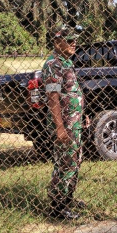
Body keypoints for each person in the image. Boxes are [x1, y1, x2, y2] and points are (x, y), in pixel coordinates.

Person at [43, 24, 85, 220]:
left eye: (74, 39)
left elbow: (71, 93)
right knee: (66, 163)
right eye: (68, 40)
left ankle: (67, 198)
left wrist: (82, 114)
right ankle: (58, 207)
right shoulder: (53, 64)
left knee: (75, 161)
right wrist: (60, 127)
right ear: (56, 41)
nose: (73, 42)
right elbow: (53, 97)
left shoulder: (67, 62)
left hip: (74, 123)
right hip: (65, 126)